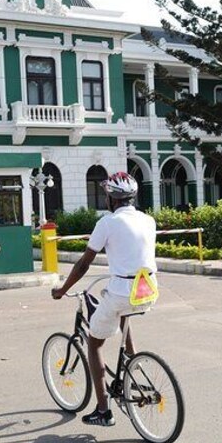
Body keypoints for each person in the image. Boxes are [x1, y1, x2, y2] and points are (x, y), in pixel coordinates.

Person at [51, 172, 157, 427]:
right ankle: (131, 360)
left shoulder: (107, 223)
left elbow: (83, 265)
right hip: (149, 290)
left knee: (95, 343)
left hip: (123, 291)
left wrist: (63, 289)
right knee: (115, 303)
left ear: (110, 198)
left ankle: (103, 411)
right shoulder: (148, 220)